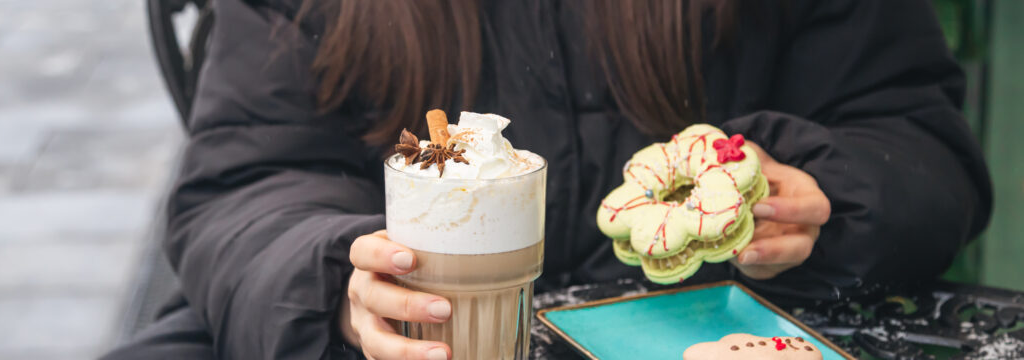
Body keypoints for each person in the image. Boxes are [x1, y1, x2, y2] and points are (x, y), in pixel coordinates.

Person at [103, 0, 992, 359]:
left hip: (704, 325)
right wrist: (332, 280)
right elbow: (246, 182)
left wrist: (829, 197)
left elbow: (919, 146)